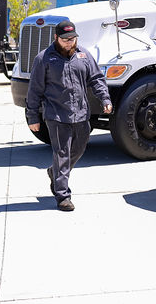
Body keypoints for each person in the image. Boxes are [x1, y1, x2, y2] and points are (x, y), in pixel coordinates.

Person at [25, 20, 112, 211]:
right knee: (62, 153)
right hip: (56, 114)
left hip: (81, 113)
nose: (69, 42)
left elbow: (96, 78)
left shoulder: (83, 55)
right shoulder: (44, 59)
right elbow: (34, 91)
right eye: (64, 39)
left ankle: (54, 172)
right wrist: (33, 117)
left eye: (72, 39)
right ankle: (63, 195)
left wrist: (105, 99)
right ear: (56, 38)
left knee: (79, 149)